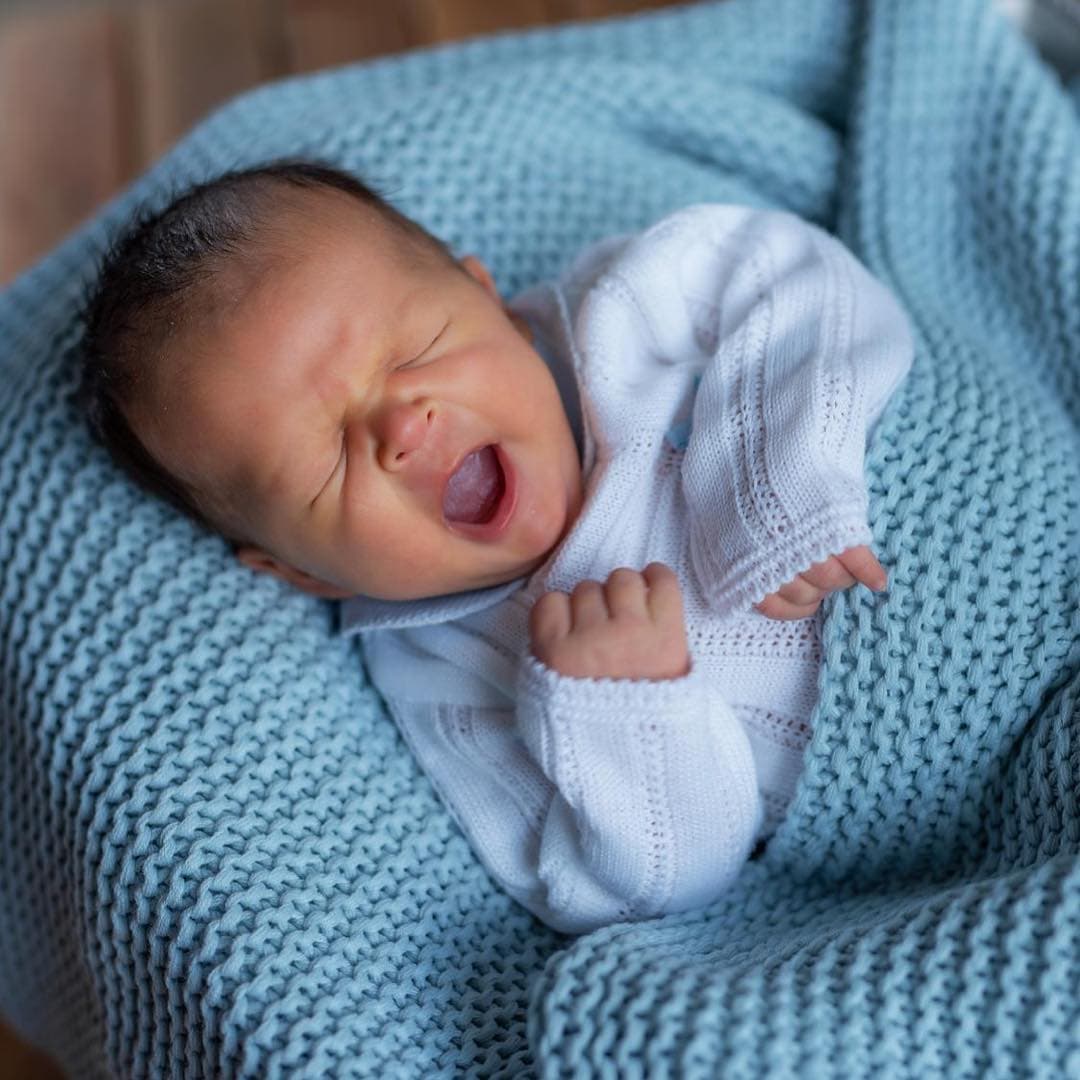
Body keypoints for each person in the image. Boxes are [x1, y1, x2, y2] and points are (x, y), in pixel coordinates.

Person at [79, 160, 913, 934]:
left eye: (416, 351)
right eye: (322, 461)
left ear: (493, 305)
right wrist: (623, 712)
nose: (405, 427)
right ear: (303, 572)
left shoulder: (625, 322)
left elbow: (798, 277)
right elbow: (623, 894)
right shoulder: (446, 681)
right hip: (895, 805)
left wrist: (772, 487)